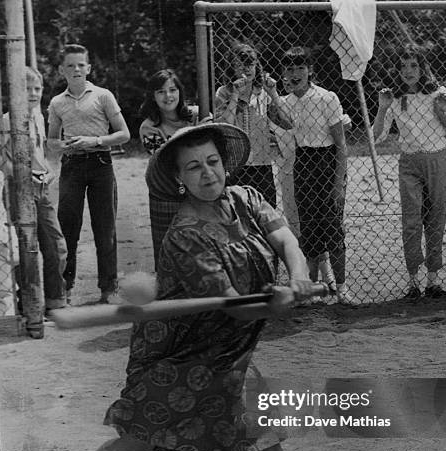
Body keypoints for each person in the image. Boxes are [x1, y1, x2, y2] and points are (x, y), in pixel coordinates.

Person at [41, 123, 331, 451]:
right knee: (138, 440)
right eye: (194, 168)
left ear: (224, 163)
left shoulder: (247, 198)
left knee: (264, 431)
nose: (207, 173)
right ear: (180, 179)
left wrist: (298, 277)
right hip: (182, 352)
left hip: (232, 349)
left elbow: (285, 237)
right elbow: (235, 307)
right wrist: (275, 304)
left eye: (212, 162)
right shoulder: (186, 233)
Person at [47, 44, 130, 304]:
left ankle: (109, 288)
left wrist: (94, 141)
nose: (76, 70)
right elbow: (51, 141)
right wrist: (64, 145)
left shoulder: (103, 96)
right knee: (68, 228)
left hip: (100, 164)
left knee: (105, 229)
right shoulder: (57, 102)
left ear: (89, 68)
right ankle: (66, 287)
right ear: (62, 70)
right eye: (70, 65)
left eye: (81, 64)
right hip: (71, 166)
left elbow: (124, 134)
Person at [373, 44, 446, 300]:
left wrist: (441, 109)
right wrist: (383, 107)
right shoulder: (394, 97)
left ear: (423, 68)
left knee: (436, 218)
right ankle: (413, 281)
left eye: (414, 66)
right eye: (403, 66)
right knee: (411, 221)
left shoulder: (437, 92)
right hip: (409, 161)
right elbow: (376, 136)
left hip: (437, 158)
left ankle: (433, 280)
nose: (408, 71)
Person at [0, 66, 68, 314]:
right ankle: (30, 305)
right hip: (17, 190)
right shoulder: (7, 119)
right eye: (27, 88)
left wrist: (47, 170)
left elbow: (39, 152)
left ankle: (56, 302)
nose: (33, 93)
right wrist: (16, 172)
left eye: (37, 88)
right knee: (27, 249)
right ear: (15, 91)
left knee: (56, 245)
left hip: (41, 188)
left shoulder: (38, 115)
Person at [279, 46, 352, 304]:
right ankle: (311, 290)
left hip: (327, 160)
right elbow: (281, 121)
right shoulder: (285, 101)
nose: (295, 73)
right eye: (290, 68)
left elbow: (341, 144)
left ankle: (342, 289)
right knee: (308, 229)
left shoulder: (325, 98)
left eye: (300, 67)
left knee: (333, 229)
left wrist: (338, 183)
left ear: (310, 71)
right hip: (304, 162)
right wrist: (269, 92)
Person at [215, 41, 292, 209]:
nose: (246, 69)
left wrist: (274, 93)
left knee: (265, 212)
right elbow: (222, 126)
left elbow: (287, 123)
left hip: (261, 164)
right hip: (235, 164)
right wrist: (235, 95)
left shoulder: (263, 92)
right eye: (240, 64)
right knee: (238, 213)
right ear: (231, 68)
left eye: (251, 63)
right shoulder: (224, 92)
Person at [139, 69, 198, 269]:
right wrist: (194, 134)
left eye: (172, 90)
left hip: (196, 187)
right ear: (153, 97)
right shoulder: (149, 127)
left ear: (180, 92)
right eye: (161, 92)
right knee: (167, 244)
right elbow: (165, 159)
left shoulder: (195, 115)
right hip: (165, 189)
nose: (168, 96)